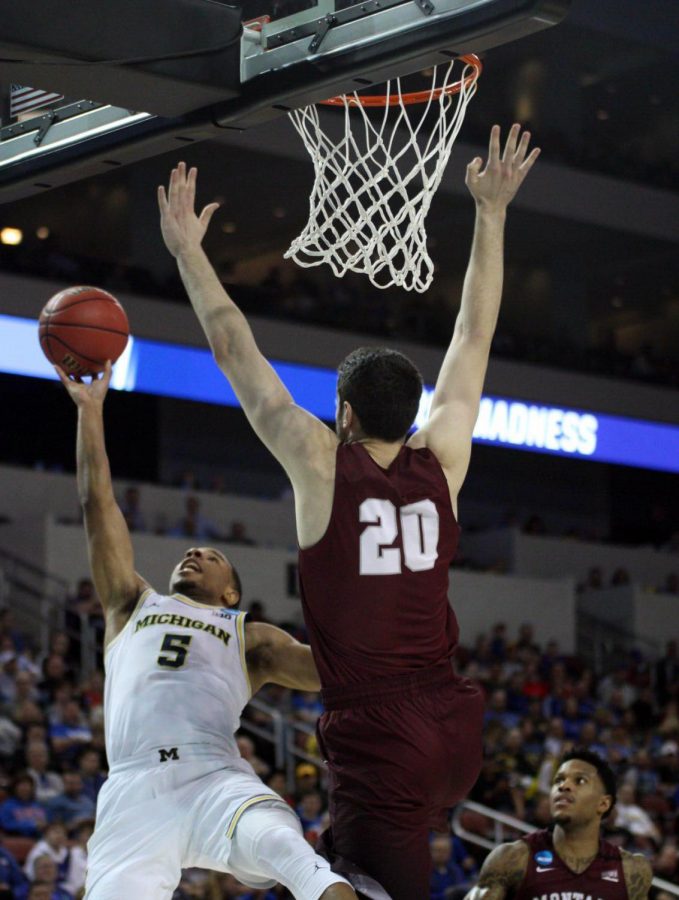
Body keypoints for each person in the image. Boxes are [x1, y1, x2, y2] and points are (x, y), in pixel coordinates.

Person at [158, 123, 538, 900]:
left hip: (381, 739)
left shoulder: (322, 462)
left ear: (344, 414)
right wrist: (491, 214)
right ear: (408, 411)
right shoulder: (445, 456)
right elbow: (473, 333)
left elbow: (237, 352)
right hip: (457, 727)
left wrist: (188, 252)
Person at [55, 366, 356, 900]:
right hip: (132, 792)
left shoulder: (248, 636)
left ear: (231, 594)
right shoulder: (131, 602)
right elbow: (96, 505)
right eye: (190, 552)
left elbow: (336, 671)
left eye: (211, 556)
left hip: (213, 776)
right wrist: (90, 411)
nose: (194, 553)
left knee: (292, 854)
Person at [463, 750, 653, 900]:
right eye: (559, 780)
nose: (564, 786)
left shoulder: (631, 871)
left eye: (580, 781)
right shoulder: (512, 858)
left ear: (603, 804)